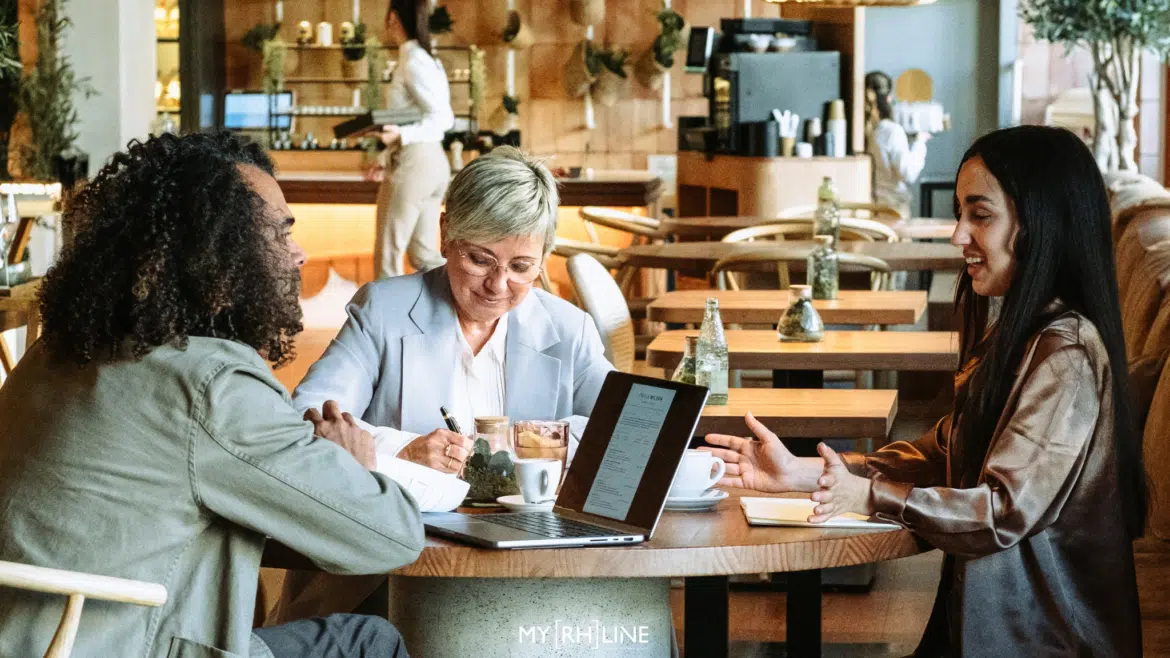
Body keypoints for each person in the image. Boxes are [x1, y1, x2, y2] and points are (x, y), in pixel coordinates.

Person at [705, 126, 1146, 656]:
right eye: (961, 214)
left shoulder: (1067, 353)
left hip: (1042, 641)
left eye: (979, 215)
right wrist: (806, 472)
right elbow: (943, 451)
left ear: (1042, 224)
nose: (958, 235)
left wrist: (869, 495)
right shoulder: (1022, 336)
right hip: (986, 628)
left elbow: (1004, 510)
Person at [0, 132, 425, 658]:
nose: (298, 252)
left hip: (36, 643)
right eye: (276, 233)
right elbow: (391, 538)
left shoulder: (52, 354)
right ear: (214, 252)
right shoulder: (211, 384)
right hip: (129, 646)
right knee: (369, 642)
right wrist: (354, 471)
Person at [271, 146, 615, 623]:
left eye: (521, 267)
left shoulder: (568, 328)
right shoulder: (385, 309)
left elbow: (619, 429)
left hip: (535, 557)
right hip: (389, 564)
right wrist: (405, 449)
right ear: (446, 234)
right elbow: (307, 418)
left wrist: (522, 443)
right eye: (481, 259)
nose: (498, 284)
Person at [365, 0, 455, 278]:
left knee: (387, 256)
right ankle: (452, 312)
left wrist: (401, 135)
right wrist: (385, 155)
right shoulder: (422, 58)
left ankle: (382, 322)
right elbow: (415, 117)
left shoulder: (414, 61)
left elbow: (443, 118)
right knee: (424, 255)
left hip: (415, 162)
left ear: (393, 17)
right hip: (433, 163)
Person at [865, 70, 929, 218]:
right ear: (888, 98)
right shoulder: (892, 131)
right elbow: (908, 173)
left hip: (870, 208)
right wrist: (920, 143)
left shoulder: (865, 131)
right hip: (893, 209)